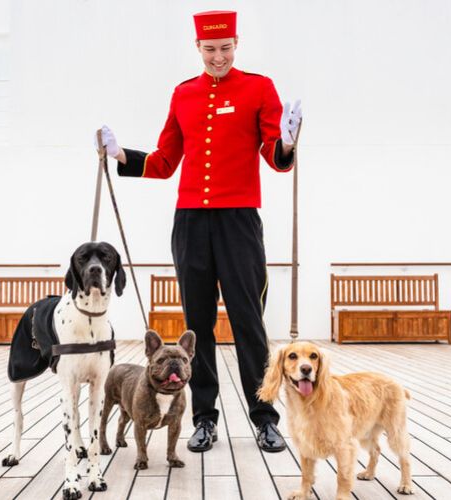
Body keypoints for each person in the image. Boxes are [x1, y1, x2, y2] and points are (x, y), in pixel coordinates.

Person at [98, 10, 301, 453]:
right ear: (198, 49)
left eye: (225, 48)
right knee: (199, 326)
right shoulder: (184, 94)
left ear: (236, 44)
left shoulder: (258, 88)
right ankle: (204, 419)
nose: (218, 57)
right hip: (190, 221)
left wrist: (286, 141)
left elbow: (274, 154)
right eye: (210, 50)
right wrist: (121, 155)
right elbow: (166, 161)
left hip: (239, 220)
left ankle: (265, 417)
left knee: (248, 322)